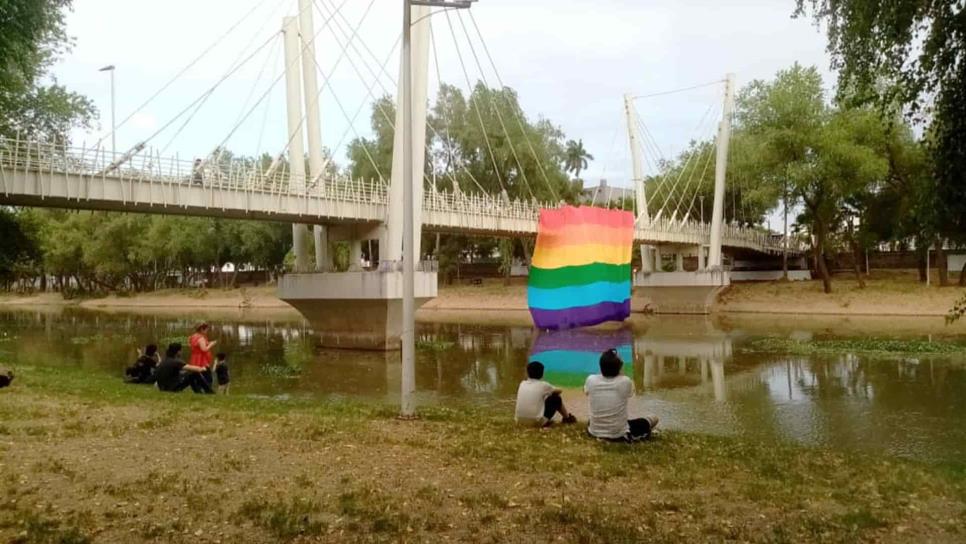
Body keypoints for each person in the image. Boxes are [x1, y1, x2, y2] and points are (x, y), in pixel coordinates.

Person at [584, 348, 659, 442]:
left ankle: (604, 433)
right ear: (620, 367)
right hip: (619, 435)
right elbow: (630, 394)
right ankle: (623, 435)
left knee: (593, 419)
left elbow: (586, 391)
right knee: (654, 418)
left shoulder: (591, 380)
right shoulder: (625, 381)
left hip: (594, 432)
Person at [514, 361, 577, 428]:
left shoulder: (522, 383)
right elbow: (559, 391)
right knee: (556, 398)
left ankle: (564, 418)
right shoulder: (543, 385)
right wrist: (548, 394)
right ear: (542, 373)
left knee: (540, 398)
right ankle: (567, 418)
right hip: (536, 422)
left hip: (520, 421)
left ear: (527, 373)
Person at [188, 323, 217, 388]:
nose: (207, 331)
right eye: (206, 330)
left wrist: (209, 343)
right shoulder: (200, 338)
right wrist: (211, 345)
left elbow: (193, 345)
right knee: (208, 377)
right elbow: (204, 349)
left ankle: (199, 388)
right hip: (201, 359)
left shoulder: (193, 336)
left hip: (195, 358)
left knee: (197, 374)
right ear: (201, 329)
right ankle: (207, 390)